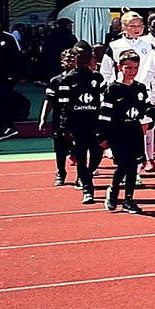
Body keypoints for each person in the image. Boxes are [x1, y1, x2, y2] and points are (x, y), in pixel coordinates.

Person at [98, 49, 155, 214]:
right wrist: (102, 137)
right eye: (128, 68)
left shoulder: (140, 88)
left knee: (133, 165)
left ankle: (128, 199)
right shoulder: (112, 89)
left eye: (135, 68)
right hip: (117, 131)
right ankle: (113, 190)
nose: (132, 72)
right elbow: (105, 115)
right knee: (123, 165)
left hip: (134, 130)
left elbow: (147, 108)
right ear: (120, 68)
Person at [56, 42, 107, 204]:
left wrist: (105, 122)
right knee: (81, 155)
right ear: (74, 58)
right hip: (78, 124)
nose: (84, 60)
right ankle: (87, 188)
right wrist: (65, 127)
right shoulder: (68, 80)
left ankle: (89, 173)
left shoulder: (97, 78)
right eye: (80, 57)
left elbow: (104, 102)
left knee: (98, 152)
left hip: (95, 123)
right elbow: (64, 106)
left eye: (87, 56)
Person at [39, 48, 79, 187]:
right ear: (62, 62)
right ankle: (61, 172)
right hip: (60, 119)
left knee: (80, 148)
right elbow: (48, 100)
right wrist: (43, 118)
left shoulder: (83, 78)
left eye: (73, 59)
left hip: (79, 119)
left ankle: (81, 175)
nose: (70, 62)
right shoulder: (56, 80)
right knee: (60, 149)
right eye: (67, 60)